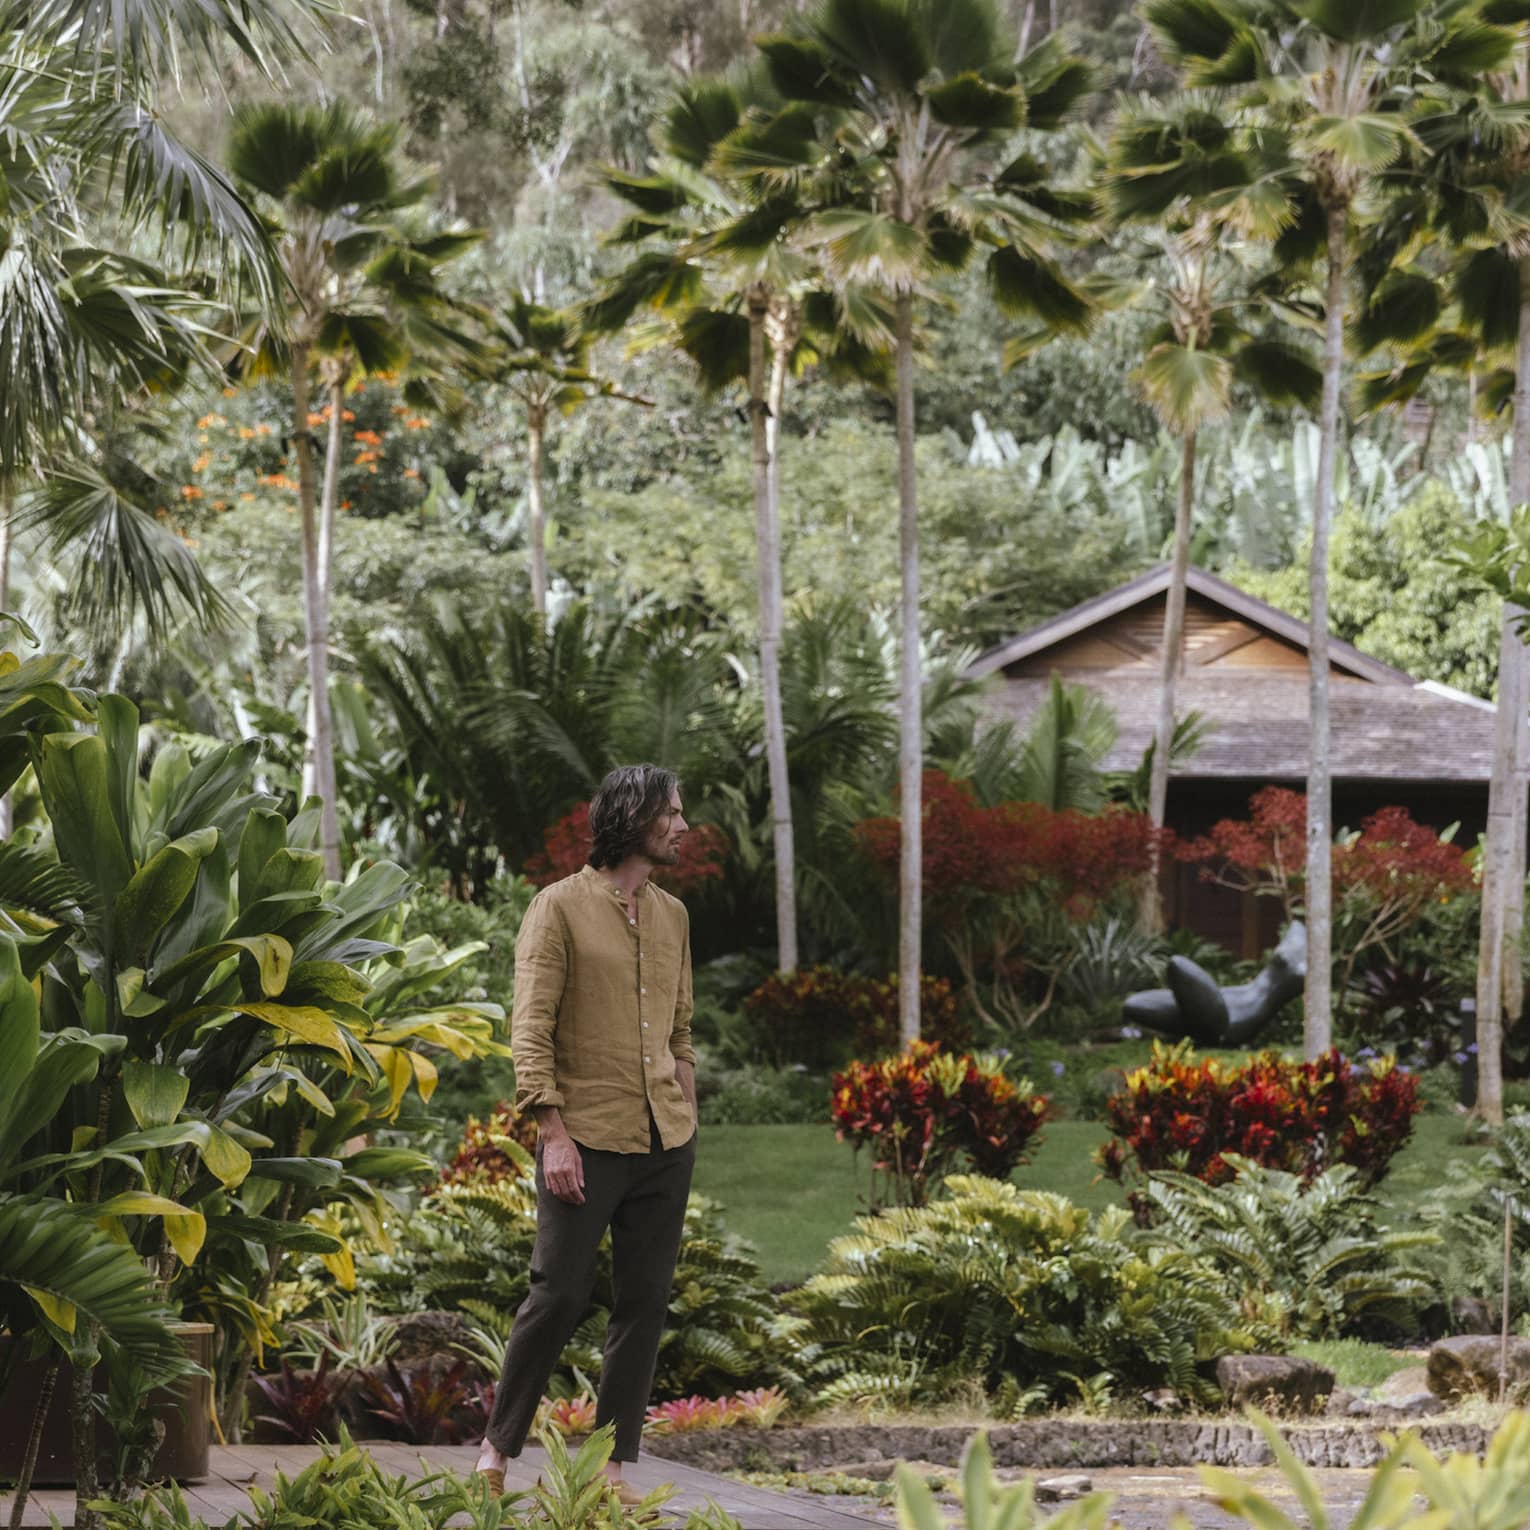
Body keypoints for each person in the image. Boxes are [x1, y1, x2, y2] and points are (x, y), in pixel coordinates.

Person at [474, 764, 698, 1503]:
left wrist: (686, 1114)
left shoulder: (673, 916)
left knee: (644, 1303)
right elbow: (530, 1028)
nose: (683, 826)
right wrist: (554, 1132)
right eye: (671, 812)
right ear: (632, 818)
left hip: (664, 1141)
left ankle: (612, 1471)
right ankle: (495, 1452)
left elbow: (681, 1031)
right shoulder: (558, 908)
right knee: (559, 1294)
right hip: (586, 1137)